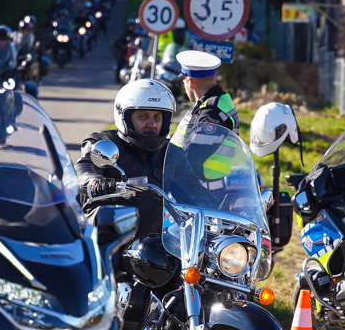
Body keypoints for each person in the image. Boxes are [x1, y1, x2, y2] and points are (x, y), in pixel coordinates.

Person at [74, 79, 175, 238]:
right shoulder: (103, 142)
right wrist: (95, 182)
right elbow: (84, 168)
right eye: (143, 116)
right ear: (125, 118)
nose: (152, 124)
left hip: (152, 245)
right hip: (107, 238)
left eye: (157, 117)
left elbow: (192, 183)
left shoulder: (170, 152)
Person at [170, 50, 240, 180]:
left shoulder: (212, 113)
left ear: (190, 82)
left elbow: (192, 157)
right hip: (199, 189)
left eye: (184, 82)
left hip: (203, 193)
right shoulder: (207, 104)